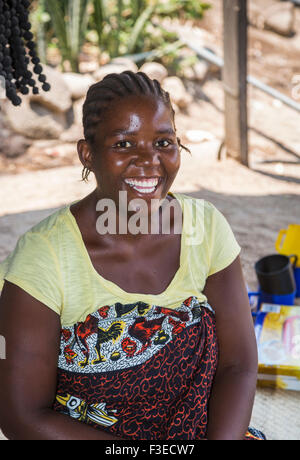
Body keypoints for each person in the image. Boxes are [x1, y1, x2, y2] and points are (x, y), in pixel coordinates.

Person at [0, 71, 265, 440]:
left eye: (163, 142)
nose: (149, 160)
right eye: (124, 145)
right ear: (87, 154)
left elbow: (239, 364)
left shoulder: (204, 226)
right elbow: (21, 416)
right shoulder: (43, 256)